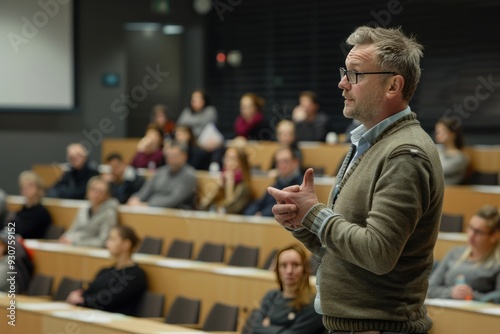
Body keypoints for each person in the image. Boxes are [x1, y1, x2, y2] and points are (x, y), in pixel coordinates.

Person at [267, 26, 445, 333]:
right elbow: (346, 251)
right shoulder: (370, 144)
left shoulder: (404, 154)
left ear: (393, 85)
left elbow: (378, 253)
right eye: (343, 72)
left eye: (355, 74)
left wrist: (317, 214)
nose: (342, 84)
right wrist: (304, 222)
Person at [243, 244, 325, 334]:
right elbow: (252, 328)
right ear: (277, 271)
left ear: (305, 269)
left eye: (295, 265)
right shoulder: (271, 296)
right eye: (283, 265)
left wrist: (267, 326)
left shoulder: (314, 304)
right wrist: (282, 330)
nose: (289, 271)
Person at [66, 225, 147, 315]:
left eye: (112, 239)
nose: (107, 243)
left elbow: (109, 300)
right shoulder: (105, 271)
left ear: (126, 244)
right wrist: (78, 295)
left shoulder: (135, 275)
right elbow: (90, 290)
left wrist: (82, 301)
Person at [428, 205, 500, 302]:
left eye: (478, 232)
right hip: (445, 308)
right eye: (470, 227)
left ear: (494, 236)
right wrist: (451, 293)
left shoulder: (497, 263)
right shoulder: (455, 253)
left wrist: (473, 295)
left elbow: (497, 296)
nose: (471, 235)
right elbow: (430, 287)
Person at [127, 141, 197, 209]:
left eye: (174, 155)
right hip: (150, 208)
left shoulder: (188, 175)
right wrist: (135, 199)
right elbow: (146, 190)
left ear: (184, 156)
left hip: (175, 213)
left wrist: (148, 205)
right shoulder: (161, 171)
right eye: (168, 155)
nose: (170, 158)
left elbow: (174, 200)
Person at [59, 176, 118, 247]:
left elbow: (103, 241)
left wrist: (75, 243)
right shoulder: (83, 208)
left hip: (89, 248)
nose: (96, 194)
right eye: (93, 189)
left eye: (100, 191)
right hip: (74, 244)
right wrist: (65, 237)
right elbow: (73, 230)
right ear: (87, 191)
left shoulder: (109, 213)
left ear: (106, 195)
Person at [245, 147, 302, 217]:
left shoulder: (300, 185)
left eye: (285, 161)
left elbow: (284, 207)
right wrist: (249, 214)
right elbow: (260, 202)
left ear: (295, 162)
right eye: (278, 162)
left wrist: (262, 215)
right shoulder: (277, 183)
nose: (281, 165)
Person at [198, 146, 253, 214]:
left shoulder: (244, 188)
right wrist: (217, 189)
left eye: (233, 159)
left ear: (241, 164)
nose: (228, 163)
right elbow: (203, 207)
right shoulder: (222, 182)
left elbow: (230, 212)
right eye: (226, 158)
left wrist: (229, 187)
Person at [5, 171, 52, 239]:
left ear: (38, 188)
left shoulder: (42, 214)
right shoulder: (20, 211)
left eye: (30, 185)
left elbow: (27, 233)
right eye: (23, 186)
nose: (26, 188)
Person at [434, 117, 469, 185]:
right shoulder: (436, 149)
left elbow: (438, 170)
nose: (438, 135)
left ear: (453, 134)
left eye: (442, 131)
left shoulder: (461, 157)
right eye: (437, 131)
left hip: (449, 192)